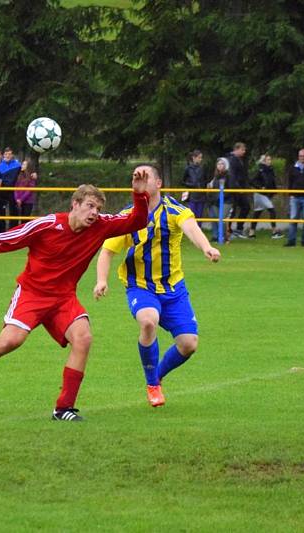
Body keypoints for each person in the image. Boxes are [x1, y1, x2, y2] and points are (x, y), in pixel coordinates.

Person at [0, 170, 150, 422]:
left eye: (98, 207)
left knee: (83, 338)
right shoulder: (48, 224)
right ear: (75, 205)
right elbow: (10, 237)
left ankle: (63, 409)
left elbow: (138, 221)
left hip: (63, 298)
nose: (94, 212)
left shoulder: (101, 226)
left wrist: (139, 193)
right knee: (9, 341)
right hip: (32, 293)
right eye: (90, 206)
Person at [93, 166, 221, 407]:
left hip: (173, 289)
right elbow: (107, 251)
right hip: (140, 286)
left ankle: (157, 376)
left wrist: (206, 247)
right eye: (135, 177)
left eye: (145, 176)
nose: (140, 180)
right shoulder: (129, 216)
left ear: (159, 183)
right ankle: (152, 384)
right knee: (148, 320)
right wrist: (102, 280)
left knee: (188, 344)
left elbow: (191, 228)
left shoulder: (174, 211)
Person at [250, 155, 283, 239]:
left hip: (266, 194)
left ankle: (251, 232)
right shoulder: (260, 170)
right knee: (272, 210)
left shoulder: (270, 170)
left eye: (270, 159)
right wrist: (260, 187)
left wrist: (274, 191)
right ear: (263, 161)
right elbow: (252, 181)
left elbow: (271, 182)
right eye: (268, 160)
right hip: (260, 194)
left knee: (257, 213)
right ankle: (274, 231)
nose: (270, 161)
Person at [227, 142, 251, 238]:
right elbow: (232, 176)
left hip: (241, 188)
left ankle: (239, 228)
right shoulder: (232, 160)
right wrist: (237, 188)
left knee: (246, 206)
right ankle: (228, 230)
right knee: (232, 210)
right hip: (234, 189)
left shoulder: (241, 160)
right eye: (242, 150)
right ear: (236, 149)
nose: (244, 152)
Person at [0, 147, 22, 229]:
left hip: (14, 191)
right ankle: (2, 231)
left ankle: (13, 229)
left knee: (14, 212)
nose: (8, 156)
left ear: (12, 155)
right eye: (6, 154)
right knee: (1, 212)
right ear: (3, 155)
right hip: (3, 192)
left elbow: (24, 175)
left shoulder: (17, 165)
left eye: (9, 154)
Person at [207, 157, 232, 243]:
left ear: (225, 165)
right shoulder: (215, 176)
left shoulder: (229, 175)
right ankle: (218, 236)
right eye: (218, 164)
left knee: (222, 218)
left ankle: (225, 237)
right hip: (215, 200)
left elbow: (231, 188)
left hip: (226, 200)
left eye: (222, 164)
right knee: (216, 218)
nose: (220, 166)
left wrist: (222, 196)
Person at [182, 150, 207, 220]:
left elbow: (206, 180)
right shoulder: (188, 168)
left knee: (199, 216)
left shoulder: (203, 168)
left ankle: (198, 230)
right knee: (191, 215)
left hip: (201, 195)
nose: (200, 159)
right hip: (191, 196)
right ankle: (191, 230)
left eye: (201, 158)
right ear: (194, 158)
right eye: (199, 157)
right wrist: (192, 185)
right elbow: (183, 181)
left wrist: (202, 186)